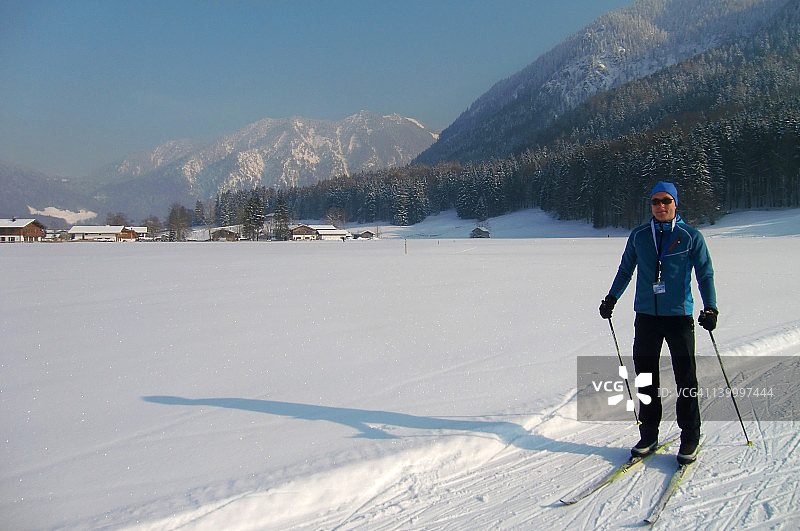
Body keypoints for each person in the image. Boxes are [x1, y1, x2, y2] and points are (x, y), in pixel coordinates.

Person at [598, 181, 718, 465]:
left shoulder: (690, 236)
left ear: (675, 203)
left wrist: (710, 307)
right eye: (655, 201)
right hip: (647, 318)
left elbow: (705, 274)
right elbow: (625, 269)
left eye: (666, 201)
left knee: (685, 378)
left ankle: (690, 435)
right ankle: (649, 434)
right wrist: (612, 297)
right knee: (646, 378)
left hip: (678, 317)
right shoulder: (640, 235)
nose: (661, 206)